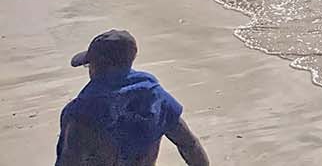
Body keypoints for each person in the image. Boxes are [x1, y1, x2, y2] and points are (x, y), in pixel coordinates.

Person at [56, 30, 210, 166]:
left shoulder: (81, 112)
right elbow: (189, 145)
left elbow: (69, 160)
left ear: (96, 66)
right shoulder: (156, 98)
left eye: (88, 66)